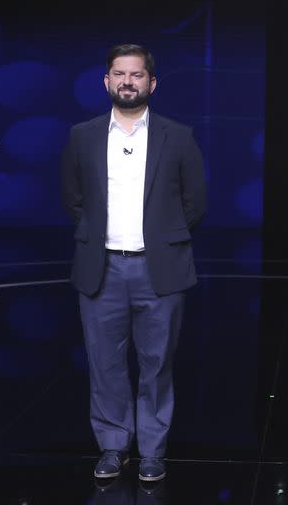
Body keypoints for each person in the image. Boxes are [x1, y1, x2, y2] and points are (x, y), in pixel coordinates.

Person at [61, 43, 207, 482]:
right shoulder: (82, 135)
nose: (128, 81)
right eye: (120, 74)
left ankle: (152, 450)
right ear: (107, 81)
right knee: (104, 363)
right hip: (101, 267)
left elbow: (195, 201)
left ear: (152, 83)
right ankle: (111, 446)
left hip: (158, 269)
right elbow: (74, 198)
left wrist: (163, 240)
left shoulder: (178, 135)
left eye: (137, 74)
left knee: (157, 364)